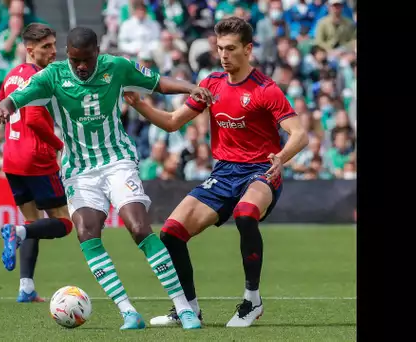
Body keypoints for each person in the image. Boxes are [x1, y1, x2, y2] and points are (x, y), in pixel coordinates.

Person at [0, 26, 213, 330]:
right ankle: (128, 312)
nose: (81, 67)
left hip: (117, 161)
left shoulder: (117, 67)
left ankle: (183, 307)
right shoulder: (53, 75)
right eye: (75, 60)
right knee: (86, 232)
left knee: (138, 227)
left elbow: (158, 82)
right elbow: (18, 96)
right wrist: (4, 105)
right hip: (79, 170)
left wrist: (190, 88)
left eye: (87, 60)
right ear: (67, 55)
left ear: (98, 53)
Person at [123, 17, 308, 328]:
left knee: (246, 213)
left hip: (261, 170)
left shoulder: (266, 89)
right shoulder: (210, 84)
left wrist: (282, 157)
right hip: (223, 174)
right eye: (220, 48)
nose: (224, 54)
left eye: (231, 48)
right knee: (170, 233)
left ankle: (252, 300)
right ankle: (189, 309)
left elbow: (299, 133)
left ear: (248, 49)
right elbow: (172, 122)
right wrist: (139, 104)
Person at [0, 23, 74, 303]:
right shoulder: (37, 79)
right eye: (46, 47)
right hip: (36, 159)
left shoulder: (13, 75)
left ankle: (26, 288)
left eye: (53, 45)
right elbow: (34, 119)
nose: (53, 52)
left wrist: (3, 119)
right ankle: (16, 232)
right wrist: (61, 147)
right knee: (64, 223)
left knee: (32, 221)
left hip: (12, 158)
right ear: (30, 50)